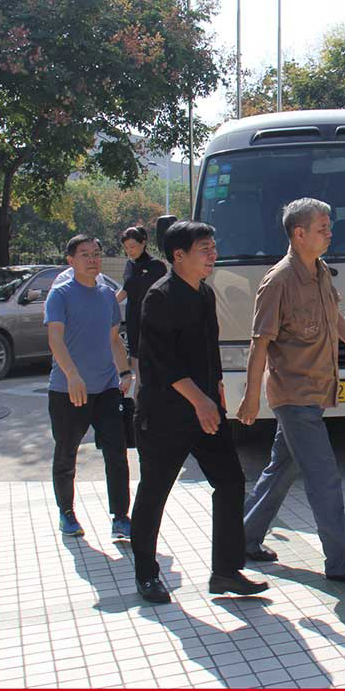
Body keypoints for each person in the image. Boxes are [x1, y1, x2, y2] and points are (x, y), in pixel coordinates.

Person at [237, 198, 345, 586]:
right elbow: (259, 343)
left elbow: (332, 312)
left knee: (282, 469)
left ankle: (244, 538)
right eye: (323, 228)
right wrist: (251, 396)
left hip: (315, 391)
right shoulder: (278, 281)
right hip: (295, 395)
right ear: (299, 233)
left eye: (329, 226)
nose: (330, 233)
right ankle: (342, 563)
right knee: (324, 477)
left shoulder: (319, 270)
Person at [130, 221, 269, 604]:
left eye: (213, 247)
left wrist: (218, 389)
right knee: (154, 491)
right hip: (165, 415)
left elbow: (209, 348)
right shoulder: (159, 298)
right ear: (179, 256)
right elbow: (164, 363)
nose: (213, 255)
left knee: (230, 481)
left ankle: (226, 571)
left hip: (206, 410)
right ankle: (146, 574)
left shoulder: (205, 293)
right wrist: (200, 400)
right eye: (204, 249)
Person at [44, 235, 133, 541]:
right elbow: (55, 339)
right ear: (71, 261)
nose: (93, 259)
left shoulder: (108, 296)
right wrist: (72, 375)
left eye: (96, 253)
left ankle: (121, 517)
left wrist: (125, 372)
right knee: (66, 452)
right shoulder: (60, 295)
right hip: (68, 389)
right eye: (85, 254)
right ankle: (66, 513)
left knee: (117, 453)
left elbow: (113, 339)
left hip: (106, 388)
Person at [116, 225, 167, 375]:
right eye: (126, 248)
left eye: (132, 246)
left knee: (153, 359)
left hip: (152, 317)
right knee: (136, 357)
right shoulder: (129, 265)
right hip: (133, 316)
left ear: (143, 242)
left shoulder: (157, 266)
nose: (129, 251)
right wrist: (107, 304)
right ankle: (139, 388)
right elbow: (125, 290)